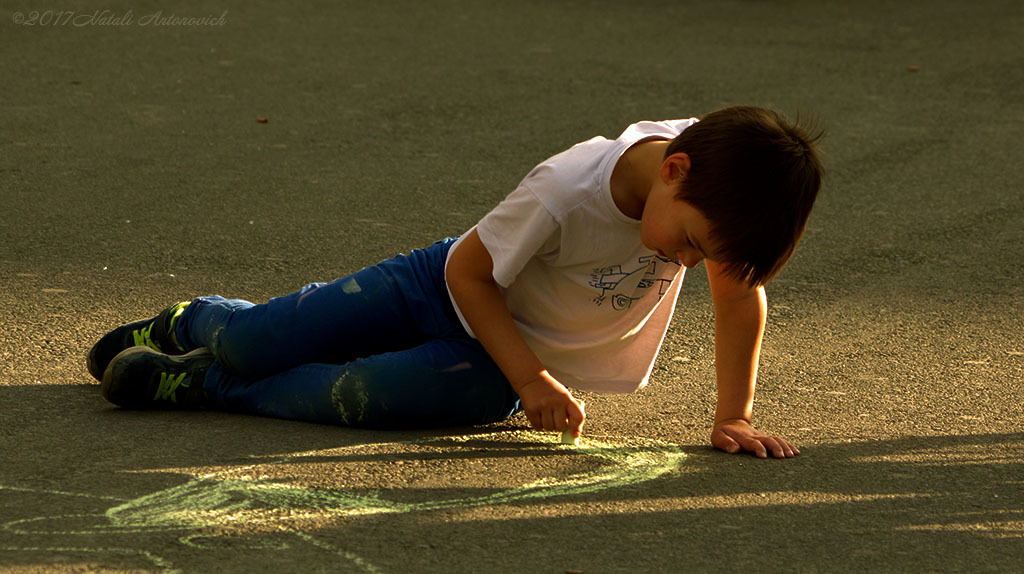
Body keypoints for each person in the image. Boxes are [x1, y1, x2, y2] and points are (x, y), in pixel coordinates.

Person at [88, 105, 823, 459]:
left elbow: (737, 293)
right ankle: (199, 323)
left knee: (361, 394)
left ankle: (202, 386)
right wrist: (537, 381)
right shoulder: (570, 186)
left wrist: (736, 415)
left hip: (497, 361)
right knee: (262, 340)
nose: (692, 266)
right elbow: (470, 274)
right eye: (691, 245)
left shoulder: (722, 195)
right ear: (672, 170)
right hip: (441, 286)